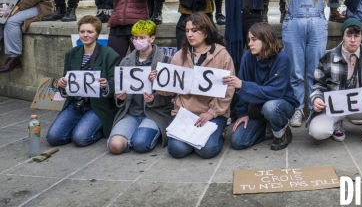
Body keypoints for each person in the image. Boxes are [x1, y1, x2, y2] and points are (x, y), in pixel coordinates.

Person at [274, 0, 342, 127]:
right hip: (293, 24)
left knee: (315, 70)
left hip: (317, 25)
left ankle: (314, 107)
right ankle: (297, 108)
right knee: (295, 71)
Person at [307, 19, 362, 152]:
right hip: (336, 106)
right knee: (318, 132)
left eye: (356, 35)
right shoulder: (327, 57)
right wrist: (316, 98)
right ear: (343, 36)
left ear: (361, 37)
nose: (352, 40)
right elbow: (318, 85)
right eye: (349, 35)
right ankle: (337, 124)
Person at [166, 13, 235, 159]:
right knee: (176, 150)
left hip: (213, 113)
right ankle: (194, 139)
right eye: (187, 30)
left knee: (207, 151)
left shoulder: (222, 55)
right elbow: (169, 89)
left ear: (206, 31)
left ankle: (217, 136)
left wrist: (212, 112)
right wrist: (159, 80)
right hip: (185, 113)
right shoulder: (179, 55)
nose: (190, 34)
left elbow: (228, 88)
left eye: (195, 30)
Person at [47, 15, 121, 147]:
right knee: (53, 138)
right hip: (76, 102)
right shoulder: (71, 54)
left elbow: (116, 82)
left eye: (90, 32)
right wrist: (62, 84)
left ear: (97, 34)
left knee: (80, 139)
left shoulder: (110, 54)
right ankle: (80, 126)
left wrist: (106, 85)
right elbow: (66, 79)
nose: (85, 35)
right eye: (82, 31)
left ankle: (102, 130)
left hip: (97, 105)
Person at [228, 23, 298, 150]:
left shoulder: (282, 58)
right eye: (249, 39)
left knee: (270, 107)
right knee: (238, 141)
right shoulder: (247, 56)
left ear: (266, 40)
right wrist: (242, 113)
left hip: (281, 105)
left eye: (254, 39)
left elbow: (276, 92)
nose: (249, 43)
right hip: (256, 108)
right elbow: (241, 92)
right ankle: (269, 128)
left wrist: (243, 85)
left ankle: (282, 132)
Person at [108, 20, 173, 154]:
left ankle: (138, 136)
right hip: (130, 113)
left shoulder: (166, 61)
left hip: (154, 113)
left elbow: (172, 95)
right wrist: (120, 98)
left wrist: (153, 99)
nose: (137, 41)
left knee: (141, 144)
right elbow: (118, 91)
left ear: (152, 38)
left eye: (142, 37)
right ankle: (131, 136)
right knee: (115, 146)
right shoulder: (125, 61)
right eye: (135, 37)